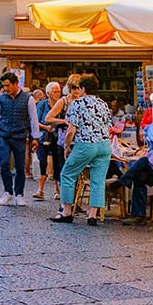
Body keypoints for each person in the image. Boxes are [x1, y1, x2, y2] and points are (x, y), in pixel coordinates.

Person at [52, 74, 111, 226]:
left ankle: (66, 211)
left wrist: (66, 146)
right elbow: (108, 126)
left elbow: (71, 130)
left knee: (67, 174)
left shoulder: (78, 103)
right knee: (98, 180)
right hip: (104, 145)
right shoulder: (103, 104)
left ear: (83, 88)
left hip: (86, 144)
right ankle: (92, 215)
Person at [0, 71, 40, 206]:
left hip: (20, 135)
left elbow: (33, 119)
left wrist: (35, 137)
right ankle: (7, 192)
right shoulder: (1, 98)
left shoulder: (29, 99)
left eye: (8, 85)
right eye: (4, 86)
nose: (5, 88)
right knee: (4, 164)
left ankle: (19, 194)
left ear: (16, 84)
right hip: (4, 134)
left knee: (20, 166)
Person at [35, 81, 64, 201]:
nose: (58, 94)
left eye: (59, 91)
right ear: (48, 93)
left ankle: (57, 191)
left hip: (58, 138)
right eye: (55, 92)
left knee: (58, 163)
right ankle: (40, 189)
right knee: (42, 161)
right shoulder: (42, 105)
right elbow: (35, 121)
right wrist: (45, 127)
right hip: (44, 137)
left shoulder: (62, 104)